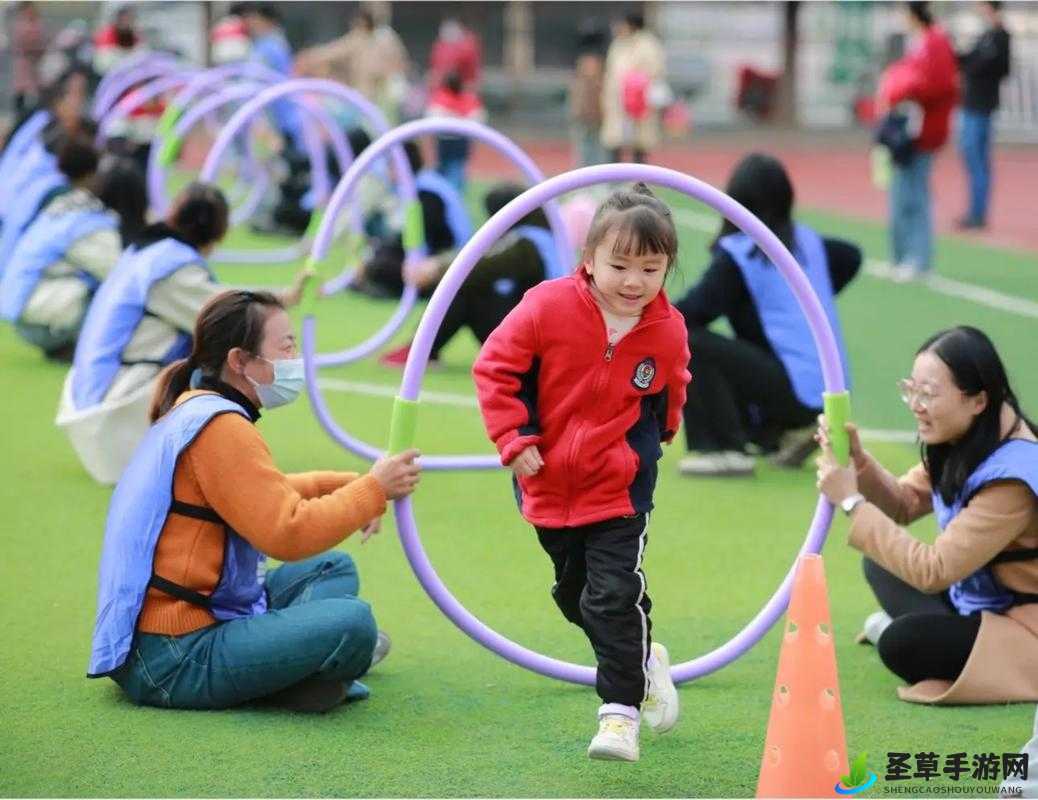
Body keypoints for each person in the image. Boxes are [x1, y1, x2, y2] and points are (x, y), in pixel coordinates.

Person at [87, 288, 422, 712]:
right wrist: (373, 490)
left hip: (176, 632)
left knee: (333, 569)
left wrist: (347, 485)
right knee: (353, 624)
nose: (295, 356)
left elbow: (256, 493)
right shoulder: (222, 427)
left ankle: (292, 668)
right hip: (174, 655)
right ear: (240, 361)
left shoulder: (197, 408)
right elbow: (287, 532)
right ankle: (298, 671)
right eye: (286, 345)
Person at [472, 184, 690, 762]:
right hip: (546, 482)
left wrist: (661, 435)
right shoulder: (547, 305)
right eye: (619, 264)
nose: (633, 281)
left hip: (619, 489)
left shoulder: (666, 329)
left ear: (668, 266)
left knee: (611, 597)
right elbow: (494, 367)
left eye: (650, 267)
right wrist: (513, 439)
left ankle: (619, 716)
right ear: (588, 258)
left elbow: (672, 381)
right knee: (577, 598)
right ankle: (645, 660)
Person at [816, 326, 1038, 705]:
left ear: (978, 400)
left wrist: (852, 501)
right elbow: (903, 503)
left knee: (902, 644)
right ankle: (930, 632)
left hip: (1023, 624)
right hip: (978, 599)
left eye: (929, 394)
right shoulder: (969, 435)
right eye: (911, 390)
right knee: (881, 566)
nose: (915, 404)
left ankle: (922, 636)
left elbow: (933, 571)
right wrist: (860, 462)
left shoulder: (1012, 478)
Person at [56, 182, 310, 484]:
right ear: (219, 232)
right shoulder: (169, 270)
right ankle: (219, 451)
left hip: (95, 399)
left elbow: (217, 299)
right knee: (225, 358)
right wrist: (284, 299)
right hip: (111, 416)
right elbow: (226, 312)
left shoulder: (148, 253)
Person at [673, 154, 860, 477]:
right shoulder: (809, 243)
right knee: (740, 345)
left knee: (687, 337)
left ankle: (722, 447)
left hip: (795, 392)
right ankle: (777, 433)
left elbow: (688, 312)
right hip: (833, 397)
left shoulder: (742, 253)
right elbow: (852, 256)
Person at [379, 182, 567, 368]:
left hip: (538, 340)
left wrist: (436, 268)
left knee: (462, 286)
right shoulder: (546, 239)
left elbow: (483, 265)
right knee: (464, 281)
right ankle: (421, 350)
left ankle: (420, 351)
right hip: (544, 333)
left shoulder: (527, 244)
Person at [0, 141, 146, 360]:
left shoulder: (63, 204)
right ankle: (85, 346)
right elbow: (123, 275)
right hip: (42, 315)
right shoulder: (88, 224)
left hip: (27, 307)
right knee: (122, 291)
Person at [875, 2, 958, 282]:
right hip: (904, 130)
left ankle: (918, 259)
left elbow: (940, 84)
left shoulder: (936, 42)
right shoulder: (919, 42)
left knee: (915, 195)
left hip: (923, 132)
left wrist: (905, 88)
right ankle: (900, 256)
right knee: (899, 191)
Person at [351, 141, 472, 300]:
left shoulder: (428, 192)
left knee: (381, 264)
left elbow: (426, 237)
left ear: (401, 166)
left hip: (449, 260)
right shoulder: (421, 185)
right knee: (379, 256)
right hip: (438, 253)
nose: (387, 171)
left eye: (390, 165)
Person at [956, 1, 1011, 230]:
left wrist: (973, 66)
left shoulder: (1000, 36)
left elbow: (997, 67)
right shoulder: (987, 35)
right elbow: (968, 60)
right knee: (971, 157)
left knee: (977, 159)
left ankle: (978, 213)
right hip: (972, 103)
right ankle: (974, 211)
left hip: (981, 105)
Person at [600, 14, 666, 164]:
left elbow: (654, 71)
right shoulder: (618, 45)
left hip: (639, 102)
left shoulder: (648, 45)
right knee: (614, 143)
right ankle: (613, 180)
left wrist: (635, 85)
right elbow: (612, 73)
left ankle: (638, 181)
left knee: (640, 144)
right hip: (618, 102)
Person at [425, 71, 485, 192]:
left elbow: (431, 118)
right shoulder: (469, 99)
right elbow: (478, 119)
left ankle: (448, 194)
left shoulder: (439, 99)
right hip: (458, 141)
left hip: (447, 141)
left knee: (449, 170)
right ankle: (452, 194)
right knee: (454, 170)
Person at [570, 42, 607, 168]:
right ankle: (582, 174)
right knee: (583, 149)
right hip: (583, 120)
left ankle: (599, 175)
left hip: (598, 120)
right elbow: (576, 101)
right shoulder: (579, 83)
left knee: (599, 149)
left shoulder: (601, 83)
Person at [10, 2, 47, 114]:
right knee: (21, 96)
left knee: (36, 97)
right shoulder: (21, 24)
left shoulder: (38, 24)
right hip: (24, 67)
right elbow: (20, 43)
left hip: (36, 68)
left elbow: (43, 42)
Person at [428, 18, 481, 92]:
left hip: (463, 90)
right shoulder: (440, 46)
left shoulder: (468, 45)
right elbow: (435, 74)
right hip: (444, 91)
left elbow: (472, 79)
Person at [92, 6, 143, 76]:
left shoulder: (135, 35)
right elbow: (102, 63)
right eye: (124, 19)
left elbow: (141, 54)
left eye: (130, 19)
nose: (127, 22)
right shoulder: (107, 34)